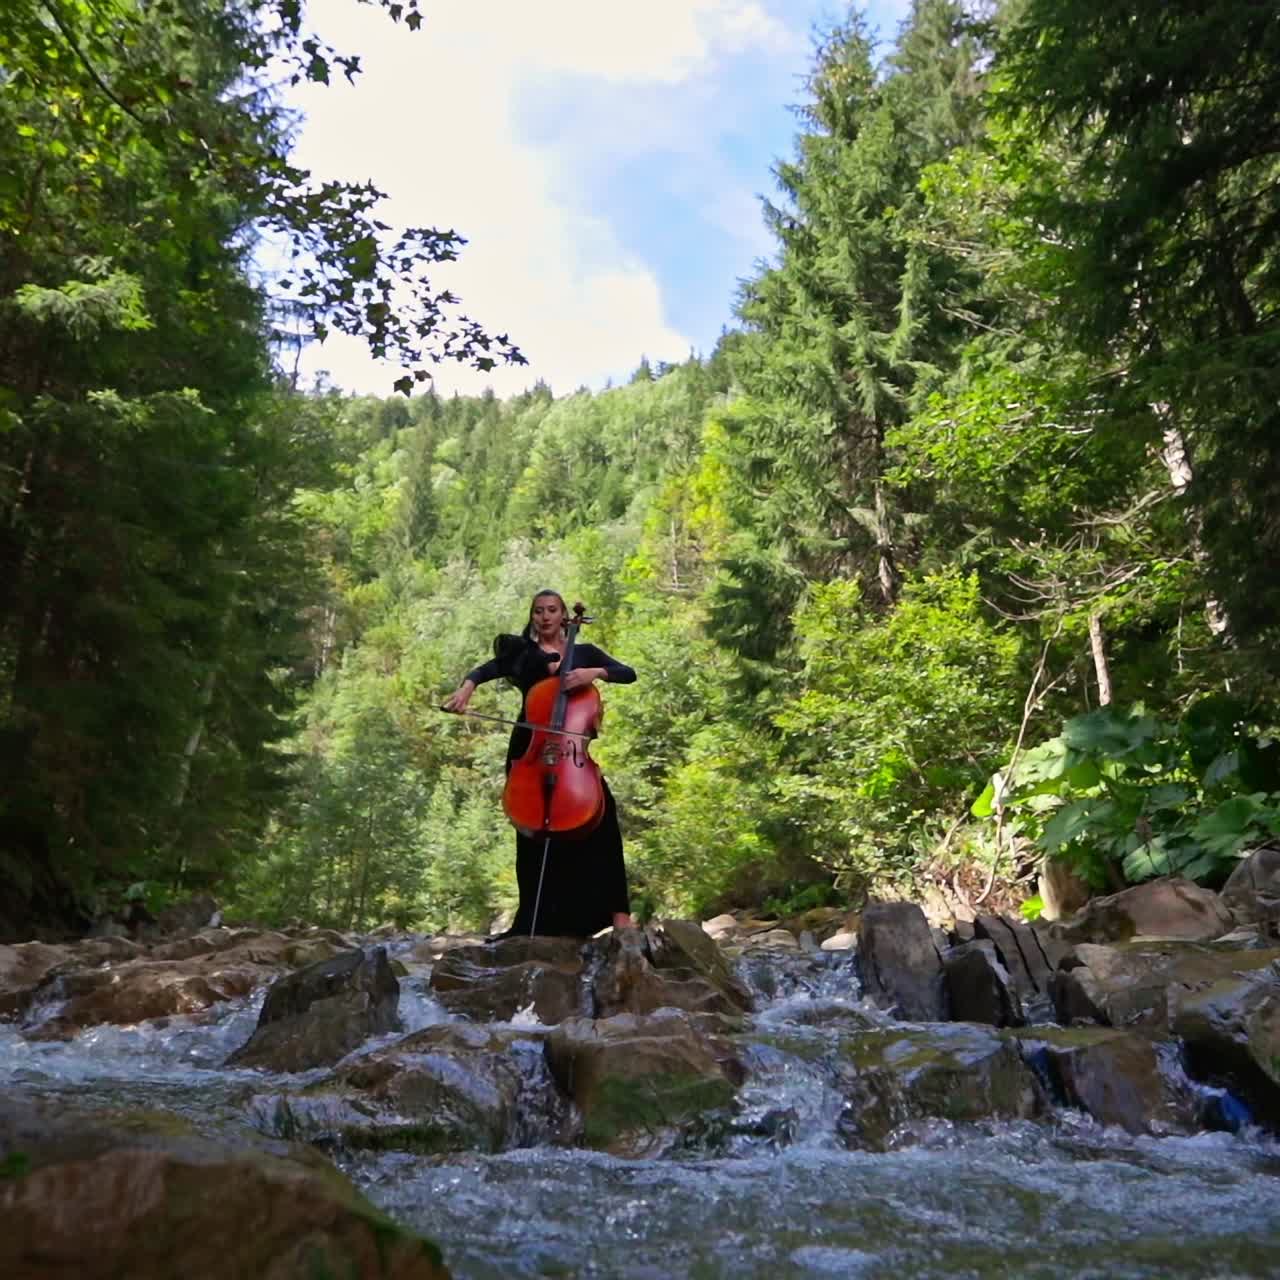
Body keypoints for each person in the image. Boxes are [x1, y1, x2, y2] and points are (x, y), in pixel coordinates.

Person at [443, 589, 636, 938]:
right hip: (531, 749)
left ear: (564, 616)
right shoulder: (524, 652)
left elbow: (628, 672)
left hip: (573, 754)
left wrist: (593, 673)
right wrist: (465, 691)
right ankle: (531, 923)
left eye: (551, 610)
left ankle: (620, 917)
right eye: (538, 611)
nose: (545, 616)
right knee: (532, 836)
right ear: (532, 616)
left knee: (603, 821)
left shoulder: (584, 653)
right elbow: (486, 669)